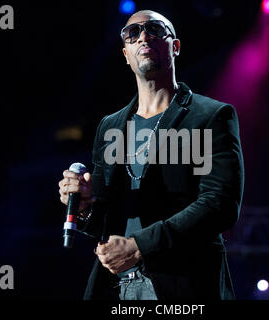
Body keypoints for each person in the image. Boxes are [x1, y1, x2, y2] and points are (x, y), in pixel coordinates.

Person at [58, 9, 244, 300]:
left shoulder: (211, 116)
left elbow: (219, 205)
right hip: (116, 286)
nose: (143, 36)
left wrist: (140, 246)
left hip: (183, 285)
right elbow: (103, 217)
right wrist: (85, 205)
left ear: (175, 46)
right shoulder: (110, 126)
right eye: (133, 33)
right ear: (125, 53)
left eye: (155, 29)